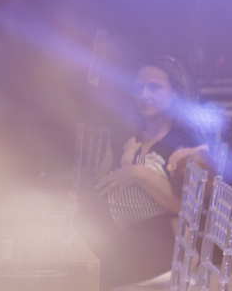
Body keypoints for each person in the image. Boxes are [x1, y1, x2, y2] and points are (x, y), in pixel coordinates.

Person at [83, 56, 212, 291]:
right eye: (138, 87)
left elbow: (185, 207)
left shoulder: (185, 144)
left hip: (154, 263)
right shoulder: (123, 132)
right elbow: (100, 185)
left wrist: (137, 172)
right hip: (109, 246)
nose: (143, 95)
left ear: (175, 94)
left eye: (154, 87)